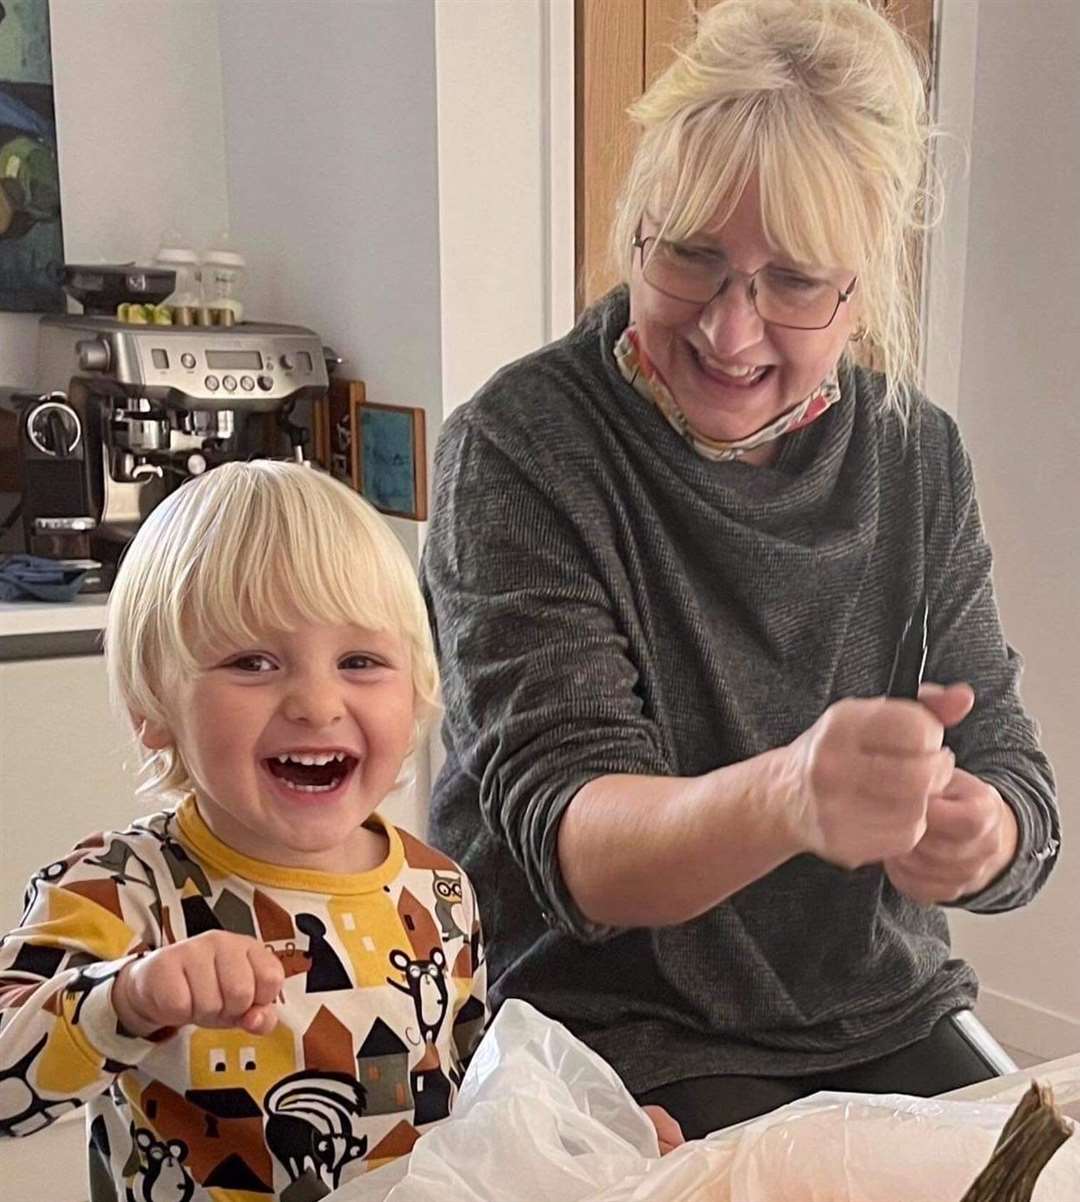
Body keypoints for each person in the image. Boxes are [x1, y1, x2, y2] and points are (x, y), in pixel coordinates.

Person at [420, 0, 1060, 1140]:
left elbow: (1013, 771)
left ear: (862, 288)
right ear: (637, 230)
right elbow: (581, 851)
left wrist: (984, 833)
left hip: (884, 1008)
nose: (729, 329)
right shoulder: (520, 447)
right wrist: (793, 795)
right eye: (694, 257)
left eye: (796, 281)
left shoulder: (916, 454)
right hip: (611, 1023)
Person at [0, 462, 486, 1200]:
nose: (317, 704)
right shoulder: (120, 890)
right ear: (153, 709)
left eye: (360, 661)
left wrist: (578, 1131)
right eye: (251, 662)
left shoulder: (439, 890)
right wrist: (127, 1001)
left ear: (417, 694)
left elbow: (479, 1096)